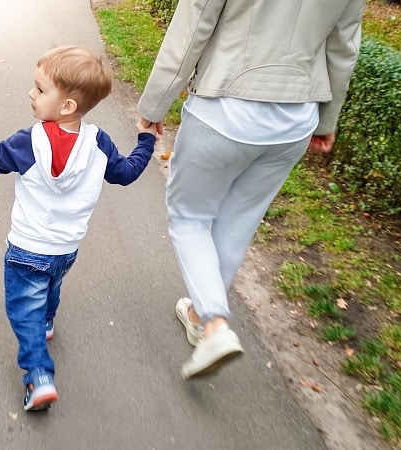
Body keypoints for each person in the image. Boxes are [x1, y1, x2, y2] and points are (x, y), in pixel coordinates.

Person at [136, 0, 366, 379]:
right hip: (295, 119)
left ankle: (213, 325)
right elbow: (343, 48)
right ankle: (198, 316)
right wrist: (327, 120)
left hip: (225, 105)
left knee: (190, 219)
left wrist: (156, 104)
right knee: (238, 222)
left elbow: (194, 24)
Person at [0, 46, 158, 411]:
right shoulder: (98, 142)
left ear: (66, 105)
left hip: (26, 248)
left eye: (39, 89)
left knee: (24, 310)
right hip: (66, 248)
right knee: (51, 283)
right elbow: (127, 173)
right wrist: (146, 140)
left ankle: (39, 376)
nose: (31, 94)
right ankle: (48, 319)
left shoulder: (29, 142)